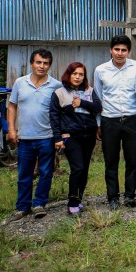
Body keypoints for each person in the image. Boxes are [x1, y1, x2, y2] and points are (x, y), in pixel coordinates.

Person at [6, 49, 62, 222]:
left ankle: (39, 204)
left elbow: (63, 111)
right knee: (24, 173)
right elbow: (12, 106)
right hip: (25, 138)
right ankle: (23, 207)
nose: (42, 66)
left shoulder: (56, 85)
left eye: (45, 63)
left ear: (49, 66)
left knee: (46, 172)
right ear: (32, 63)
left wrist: (60, 136)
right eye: (38, 62)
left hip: (47, 136)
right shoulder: (20, 83)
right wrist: (11, 129)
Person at [94, 35, 136, 210]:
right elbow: (98, 98)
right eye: (117, 49)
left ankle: (130, 196)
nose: (120, 53)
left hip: (132, 120)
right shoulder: (101, 70)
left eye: (123, 50)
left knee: (132, 160)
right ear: (111, 50)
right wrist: (98, 124)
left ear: (128, 51)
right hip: (109, 121)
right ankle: (112, 197)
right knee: (111, 162)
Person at [50, 62, 102, 216]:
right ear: (69, 74)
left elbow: (98, 108)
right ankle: (72, 203)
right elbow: (54, 116)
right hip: (71, 137)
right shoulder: (59, 93)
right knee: (77, 168)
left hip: (88, 136)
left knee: (84, 170)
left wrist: (83, 103)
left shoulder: (89, 91)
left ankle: (78, 200)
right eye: (75, 74)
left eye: (81, 74)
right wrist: (57, 137)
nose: (78, 77)